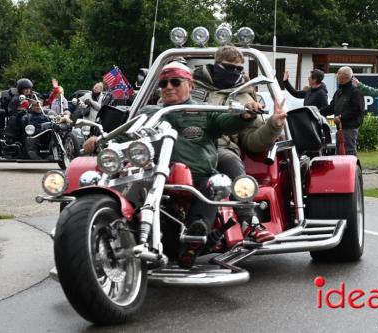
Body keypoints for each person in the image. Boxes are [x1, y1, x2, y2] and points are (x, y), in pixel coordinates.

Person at [85, 61, 259, 268]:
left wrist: (246, 115)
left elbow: (228, 122)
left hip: (196, 178)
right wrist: (99, 142)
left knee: (214, 185)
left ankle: (197, 234)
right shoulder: (149, 112)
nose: (168, 87)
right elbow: (123, 136)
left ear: (190, 85)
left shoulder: (205, 111)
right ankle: (116, 233)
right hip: (150, 177)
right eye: (164, 83)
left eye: (175, 82)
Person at [193, 45, 287, 243]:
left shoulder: (245, 96)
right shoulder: (188, 85)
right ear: (215, 65)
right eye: (229, 67)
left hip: (220, 150)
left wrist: (273, 125)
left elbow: (252, 140)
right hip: (183, 146)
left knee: (230, 160)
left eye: (239, 69)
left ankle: (250, 222)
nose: (234, 73)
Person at [320, 66, 365, 155]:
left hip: (350, 128)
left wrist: (341, 116)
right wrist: (317, 112)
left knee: (349, 152)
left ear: (343, 77)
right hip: (340, 128)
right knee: (339, 153)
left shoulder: (356, 92)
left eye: (338, 74)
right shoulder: (338, 92)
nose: (336, 76)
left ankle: (353, 169)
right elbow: (331, 108)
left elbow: (357, 110)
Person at [5, 78, 34, 144]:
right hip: (19, 116)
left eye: (29, 88)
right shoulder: (16, 98)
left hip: (30, 115)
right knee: (14, 118)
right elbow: (11, 110)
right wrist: (20, 109)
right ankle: (11, 138)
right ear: (21, 89)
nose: (28, 90)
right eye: (25, 89)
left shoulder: (32, 97)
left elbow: (40, 102)